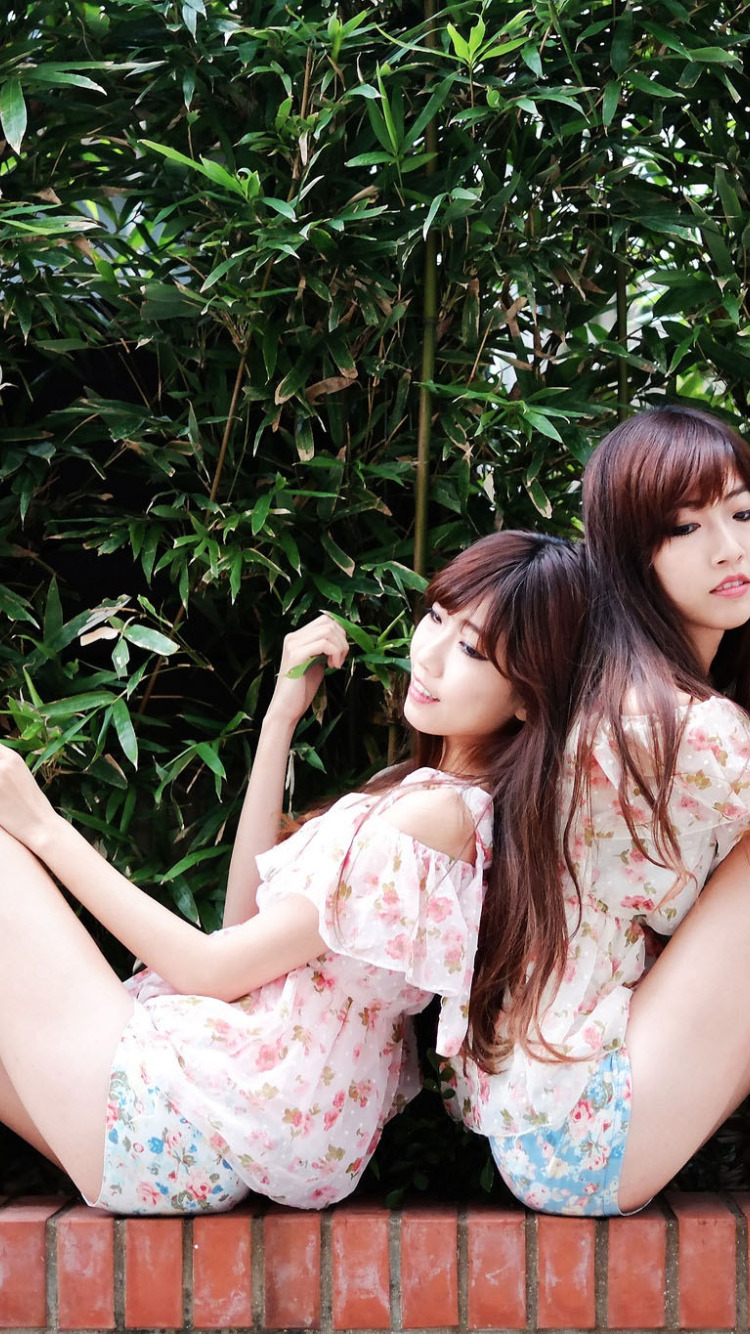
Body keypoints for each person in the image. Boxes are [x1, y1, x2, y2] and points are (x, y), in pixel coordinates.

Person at [0, 529, 587, 1215]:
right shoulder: (416, 795)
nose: (427, 655)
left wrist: (43, 827)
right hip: (206, 1122)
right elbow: (241, 931)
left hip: (183, 1119)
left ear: (529, 698)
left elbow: (212, 969)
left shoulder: (439, 817)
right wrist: (280, 719)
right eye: (436, 616)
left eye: (471, 649)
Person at [446, 404, 750, 1217]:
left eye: (743, 513)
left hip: (556, 1119)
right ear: (629, 554)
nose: (730, 548)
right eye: (684, 527)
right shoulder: (676, 725)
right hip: (586, 1125)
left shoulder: (626, 695)